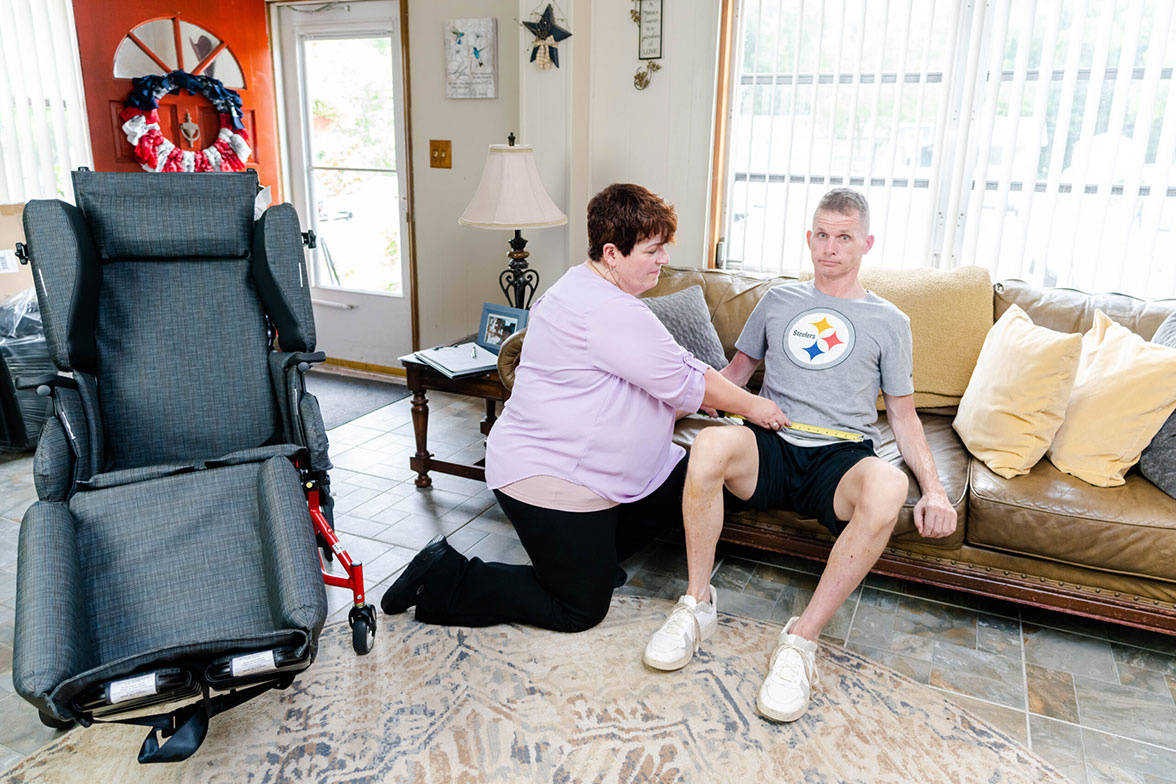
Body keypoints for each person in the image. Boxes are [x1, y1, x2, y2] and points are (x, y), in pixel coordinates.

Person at [380, 183, 787, 632]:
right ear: (612, 253)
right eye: (653, 249)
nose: (665, 259)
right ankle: (445, 575)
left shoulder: (576, 282)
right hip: (546, 475)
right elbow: (689, 379)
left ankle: (589, 559)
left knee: (689, 478)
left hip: (566, 462)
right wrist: (756, 407)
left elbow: (662, 375)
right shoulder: (611, 312)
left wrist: (702, 398)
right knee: (579, 609)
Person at [642, 188, 957, 723]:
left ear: (866, 243)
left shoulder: (890, 322)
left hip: (838, 459)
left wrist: (935, 489)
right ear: (809, 237)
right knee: (711, 443)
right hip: (771, 440)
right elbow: (734, 379)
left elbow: (903, 416)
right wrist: (660, 420)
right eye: (821, 234)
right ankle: (697, 605)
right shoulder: (778, 301)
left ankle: (800, 641)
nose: (830, 247)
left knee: (888, 486)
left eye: (844, 237)